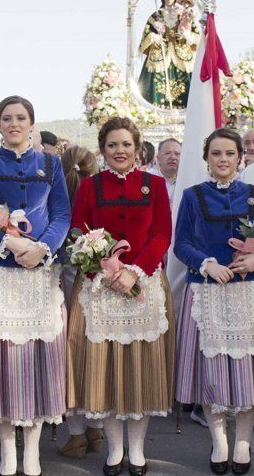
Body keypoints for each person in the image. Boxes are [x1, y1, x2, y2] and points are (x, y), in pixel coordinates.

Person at [0, 96, 70, 476]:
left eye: (20, 118)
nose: (13, 124)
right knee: (2, 363)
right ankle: (8, 450)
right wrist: (8, 243)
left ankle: (34, 450)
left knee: (39, 360)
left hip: (39, 270)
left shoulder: (52, 164)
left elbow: (62, 213)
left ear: (31, 123)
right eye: (6, 118)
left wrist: (42, 248)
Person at [67, 116, 173, 476]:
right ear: (102, 149)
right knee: (107, 371)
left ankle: (138, 451)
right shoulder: (89, 187)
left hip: (143, 284)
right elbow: (77, 232)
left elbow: (161, 235)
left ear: (137, 147)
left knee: (140, 370)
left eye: (126, 144)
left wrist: (134, 271)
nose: (119, 151)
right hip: (101, 290)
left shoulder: (155, 186)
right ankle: (114, 451)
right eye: (112, 145)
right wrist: (105, 271)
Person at [173, 128, 254, 475]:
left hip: (249, 291)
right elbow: (181, 244)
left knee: (248, 370)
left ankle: (243, 441)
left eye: (229, 153)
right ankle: (219, 441)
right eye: (216, 153)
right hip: (208, 289)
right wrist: (207, 264)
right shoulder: (192, 195)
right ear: (207, 159)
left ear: (239, 157)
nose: (223, 160)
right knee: (212, 373)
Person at [56, 145, 103, 460]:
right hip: (97, 285)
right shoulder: (98, 197)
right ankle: (96, 426)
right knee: (96, 357)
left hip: (64, 284)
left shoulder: (58, 203)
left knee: (69, 360)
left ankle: (76, 434)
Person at [137, 0, 199, 108]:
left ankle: (185, 108)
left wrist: (185, 34)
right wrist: (153, 37)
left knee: (185, 83)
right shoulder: (156, 15)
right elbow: (146, 34)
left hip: (181, 53)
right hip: (160, 53)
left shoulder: (183, 13)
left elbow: (195, 34)